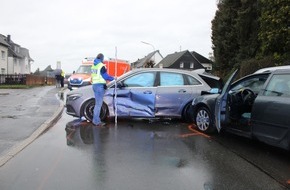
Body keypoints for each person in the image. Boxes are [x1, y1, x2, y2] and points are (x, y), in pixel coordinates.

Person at [91, 53, 115, 127]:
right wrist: (113, 78)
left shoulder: (93, 65)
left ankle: (95, 120)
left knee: (97, 104)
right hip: (99, 86)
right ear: (102, 58)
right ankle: (96, 121)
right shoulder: (101, 66)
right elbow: (105, 76)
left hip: (94, 85)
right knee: (98, 104)